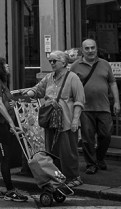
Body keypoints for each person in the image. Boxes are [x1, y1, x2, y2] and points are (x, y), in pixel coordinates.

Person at [21, 49, 85, 188]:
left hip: (66, 121)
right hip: (51, 121)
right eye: (50, 61)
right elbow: (38, 89)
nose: (51, 63)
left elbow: (79, 101)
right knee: (52, 150)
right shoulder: (49, 77)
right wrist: (28, 93)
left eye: (54, 61)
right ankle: (57, 176)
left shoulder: (73, 78)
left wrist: (75, 120)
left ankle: (73, 177)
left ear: (63, 62)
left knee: (68, 151)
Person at [74, 39, 120, 175]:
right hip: (85, 108)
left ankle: (99, 158)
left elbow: (112, 83)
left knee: (106, 135)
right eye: (87, 48)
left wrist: (117, 102)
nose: (90, 51)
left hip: (103, 106)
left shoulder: (105, 64)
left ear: (96, 48)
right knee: (87, 139)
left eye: (92, 48)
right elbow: (71, 86)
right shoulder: (75, 66)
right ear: (82, 50)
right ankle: (91, 164)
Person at [0, 57, 27, 202]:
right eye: (4, 64)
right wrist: (10, 122)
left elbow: (3, 101)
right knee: (5, 157)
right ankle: (10, 191)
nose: (7, 65)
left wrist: (11, 103)